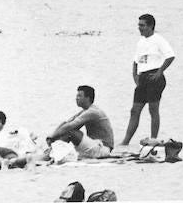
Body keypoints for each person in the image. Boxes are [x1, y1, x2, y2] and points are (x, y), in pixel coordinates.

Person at [122, 14, 175, 147]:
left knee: (153, 108)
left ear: (150, 26)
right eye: (139, 25)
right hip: (143, 77)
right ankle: (125, 141)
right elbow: (136, 60)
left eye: (142, 25)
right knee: (135, 109)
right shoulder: (141, 40)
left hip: (154, 77)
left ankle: (153, 139)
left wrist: (159, 72)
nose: (139, 28)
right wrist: (135, 75)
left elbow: (170, 56)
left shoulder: (158, 39)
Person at [47, 85, 116, 158]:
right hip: (95, 146)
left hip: (103, 149)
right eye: (76, 96)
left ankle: (51, 155)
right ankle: (51, 153)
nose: (76, 98)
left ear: (87, 98)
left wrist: (52, 138)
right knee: (66, 129)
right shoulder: (85, 111)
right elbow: (67, 123)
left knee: (69, 131)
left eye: (79, 96)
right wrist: (51, 136)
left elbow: (70, 127)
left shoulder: (92, 112)